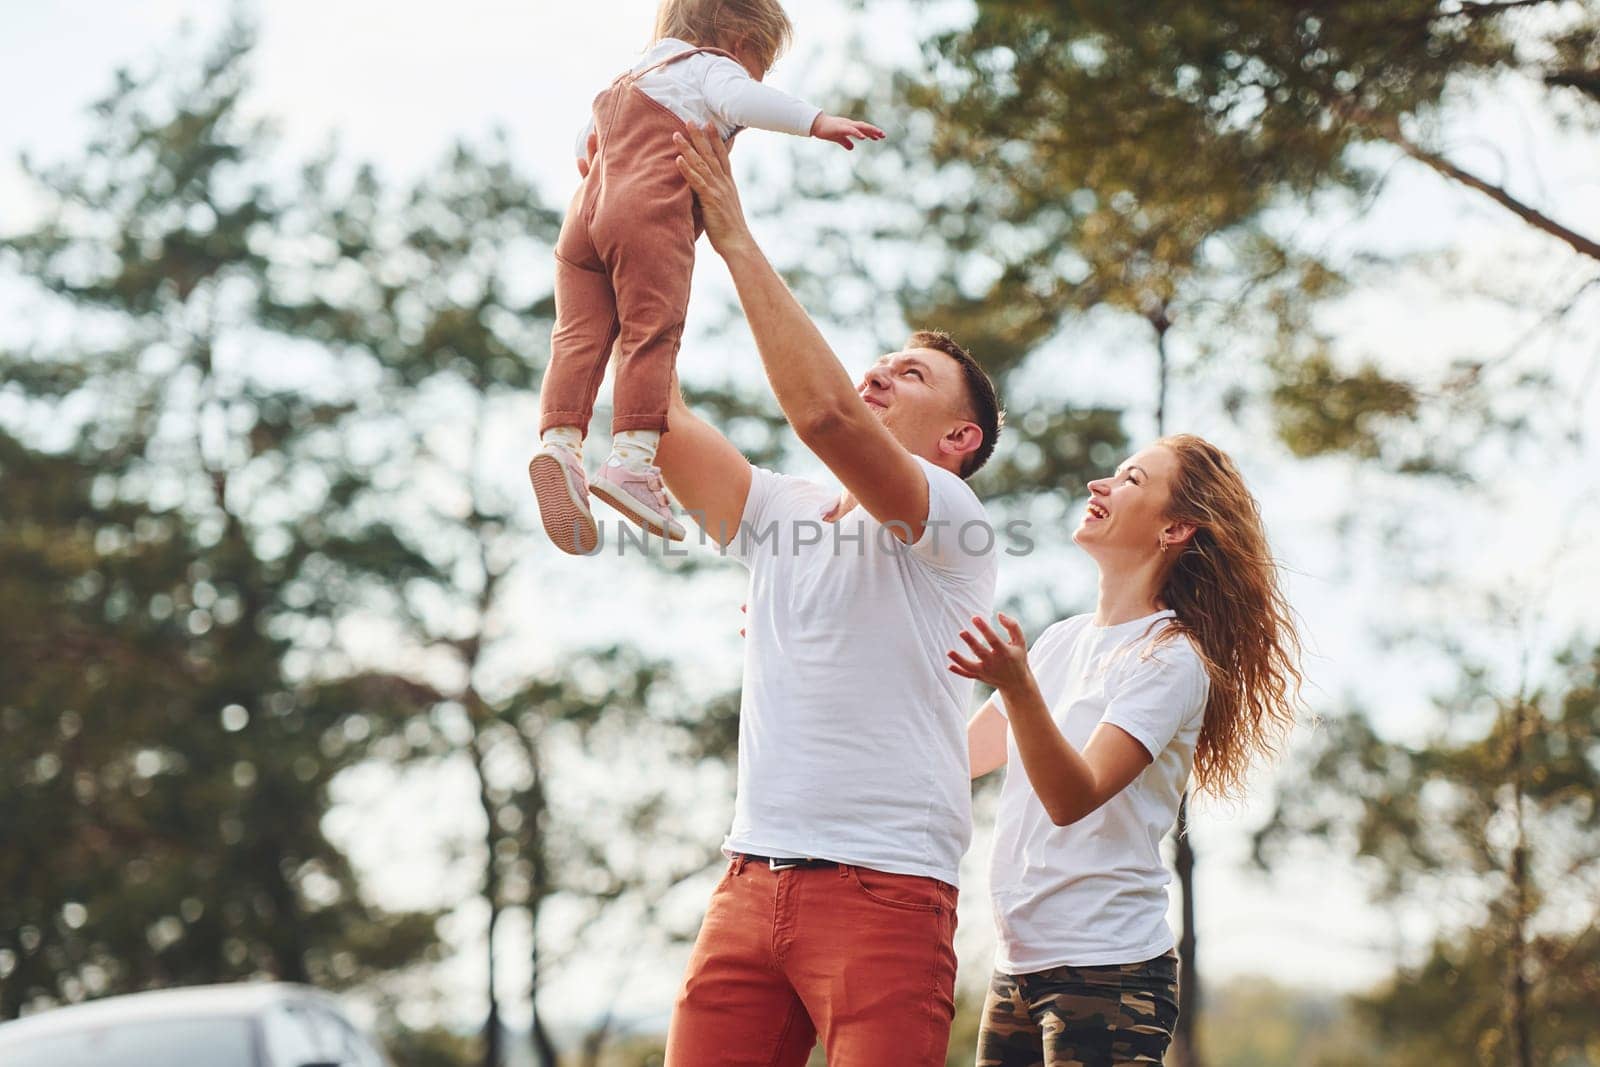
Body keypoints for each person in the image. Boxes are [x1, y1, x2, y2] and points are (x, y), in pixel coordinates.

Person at [651, 123, 1003, 1065]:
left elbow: (824, 416)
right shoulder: (782, 511)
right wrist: (634, 238)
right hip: (747, 879)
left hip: (885, 888)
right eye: (881, 360)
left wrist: (732, 230)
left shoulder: (956, 525)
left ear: (959, 439)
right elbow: (656, 417)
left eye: (914, 372)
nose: (881, 368)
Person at [949, 435, 1305, 1067]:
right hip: (1017, 968)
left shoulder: (1170, 659)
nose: (1100, 486)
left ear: (1175, 528)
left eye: (1132, 480)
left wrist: (1018, 687)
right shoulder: (1060, 642)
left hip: (1107, 974)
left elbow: (1073, 797)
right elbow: (950, 758)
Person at [529, 0, 884, 554]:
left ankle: (560, 445)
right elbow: (743, 99)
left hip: (581, 221)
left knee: (577, 336)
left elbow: (585, 150)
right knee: (653, 330)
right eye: (756, 64)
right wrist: (815, 122)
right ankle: (632, 463)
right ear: (739, 40)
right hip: (645, 213)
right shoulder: (709, 65)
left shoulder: (631, 75)